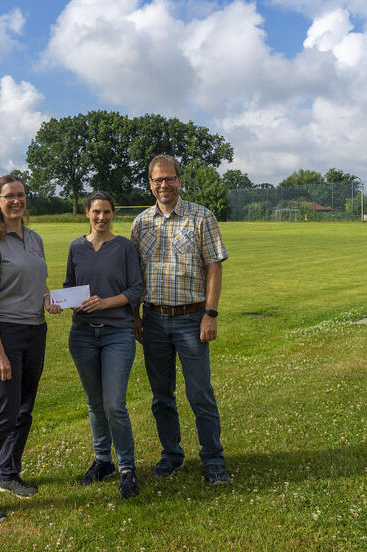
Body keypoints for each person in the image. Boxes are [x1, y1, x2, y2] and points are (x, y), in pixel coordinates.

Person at [0, 175, 61, 524]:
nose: (17, 201)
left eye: (21, 195)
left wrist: (48, 298)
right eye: (10, 197)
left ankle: (9, 475)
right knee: (2, 413)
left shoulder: (33, 239)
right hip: (1, 333)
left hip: (35, 330)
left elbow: (36, 282)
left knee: (23, 410)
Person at [130, 154, 231, 485]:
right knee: (161, 395)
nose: (164, 185)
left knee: (200, 392)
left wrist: (210, 314)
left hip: (191, 318)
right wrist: (135, 316)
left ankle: (213, 457)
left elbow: (214, 265)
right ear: (150, 184)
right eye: (157, 180)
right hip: (154, 319)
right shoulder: (141, 223)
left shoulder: (201, 217)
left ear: (179, 180)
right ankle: (171, 454)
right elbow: (132, 275)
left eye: (169, 178)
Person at [64, 191, 144, 499]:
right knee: (95, 404)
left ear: (113, 214)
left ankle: (127, 468)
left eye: (107, 212)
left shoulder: (124, 247)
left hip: (117, 333)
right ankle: (102, 461)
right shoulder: (76, 247)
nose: (101, 217)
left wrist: (105, 303)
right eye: (96, 212)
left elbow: (137, 288)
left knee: (114, 404)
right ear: (87, 212)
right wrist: (69, 303)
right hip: (82, 334)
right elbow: (70, 285)